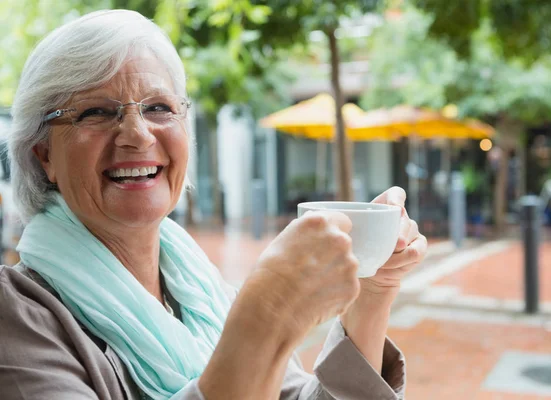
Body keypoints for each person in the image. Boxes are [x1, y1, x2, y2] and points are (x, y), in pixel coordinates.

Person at [0, 10, 427, 400]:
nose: (138, 134)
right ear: (44, 155)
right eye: (95, 111)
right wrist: (264, 321)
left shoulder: (201, 290)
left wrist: (372, 292)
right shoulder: (18, 315)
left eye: (158, 107)